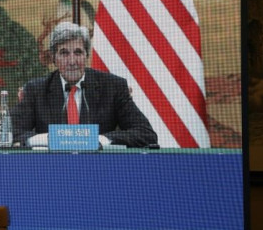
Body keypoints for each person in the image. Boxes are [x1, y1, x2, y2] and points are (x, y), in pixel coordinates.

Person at [12, 22, 157, 148]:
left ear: (87, 56)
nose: (72, 61)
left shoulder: (113, 87)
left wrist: (102, 140)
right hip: (51, 169)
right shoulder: (36, 90)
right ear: (54, 58)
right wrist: (47, 139)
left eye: (78, 52)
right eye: (64, 53)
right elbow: (10, 132)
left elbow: (145, 134)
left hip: (98, 169)